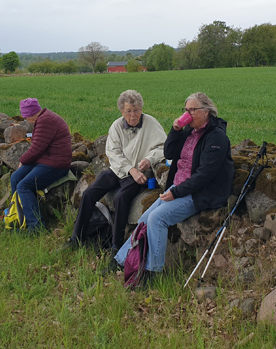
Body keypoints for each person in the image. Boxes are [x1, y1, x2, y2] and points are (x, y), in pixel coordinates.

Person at [109, 93, 234, 287]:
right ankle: (121, 260)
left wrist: (176, 192)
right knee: (144, 219)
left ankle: (152, 274)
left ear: (206, 112)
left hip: (199, 193)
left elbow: (204, 175)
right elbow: (169, 153)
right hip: (179, 187)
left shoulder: (216, 137)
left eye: (192, 110)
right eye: (186, 110)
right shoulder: (189, 130)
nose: (188, 114)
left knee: (156, 219)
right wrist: (175, 130)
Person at [64, 90, 166, 251]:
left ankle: (116, 247)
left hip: (140, 173)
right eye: (129, 111)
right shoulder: (117, 126)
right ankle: (76, 238)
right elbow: (113, 153)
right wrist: (130, 169)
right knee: (89, 194)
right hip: (119, 170)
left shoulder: (151, 123)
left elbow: (162, 147)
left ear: (141, 108)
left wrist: (149, 159)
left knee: (121, 198)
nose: (133, 115)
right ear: (122, 111)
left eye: (136, 110)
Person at [10, 98, 71, 233]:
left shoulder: (45, 121)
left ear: (31, 113)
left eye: (26, 116)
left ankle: (36, 226)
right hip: (44, 160)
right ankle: (18, 216)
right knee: (15, 178)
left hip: (56, 164)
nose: (26, 119)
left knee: (24, 186)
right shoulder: (42, 118)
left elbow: (37, 148)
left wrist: (22, 160)